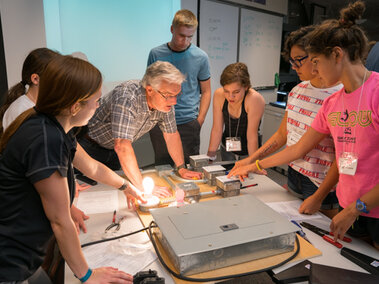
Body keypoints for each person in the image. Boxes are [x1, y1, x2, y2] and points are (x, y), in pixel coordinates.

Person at [229, 1, 379, 249]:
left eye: (317, 61)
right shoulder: (332, 103)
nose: (315, 69)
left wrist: (356, 208)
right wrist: (254, 164)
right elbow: (297, 148)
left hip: (369, 209)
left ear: (337, 55)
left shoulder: (375, 91)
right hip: (347, 205)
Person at [0, 55, 145, 283]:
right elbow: (60, 220)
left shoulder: (53, 125)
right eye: (96, 101)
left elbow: (93, 168)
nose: (99, 107)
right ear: (75, 106)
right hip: (10, 260)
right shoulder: (46, 140)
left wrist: (126, 186)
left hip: (24, 257)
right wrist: (87, 275)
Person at [232, 26, 343, 218]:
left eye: (299, 59)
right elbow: (282, 135)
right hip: (295, 174)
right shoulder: (297, 91)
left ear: (317, 56)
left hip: (321, 184)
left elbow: (341, 156)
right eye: (292, 60)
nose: (294, 66)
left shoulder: (339, 96)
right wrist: (252, 159)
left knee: (323, 237)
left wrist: (320, 195)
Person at [79, 61, 202, 195]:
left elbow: (171, 135)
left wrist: (181, 167)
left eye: (177, 95)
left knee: (112, 193)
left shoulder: (165, 103)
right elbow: (122, 146)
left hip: (112, 152)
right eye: (169, 95)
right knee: (87, 192)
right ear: (150, 90)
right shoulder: (127, 97)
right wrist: (144, 188)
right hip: (88, 147)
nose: (174, 102)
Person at [147, 9, 211, 165]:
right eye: (181, 35)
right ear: (172, 29)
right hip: (160, 121)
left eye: (190, 37)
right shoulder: (156, 53)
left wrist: (200, 120)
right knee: (163, 167)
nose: (185, 41)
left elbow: (207, 91)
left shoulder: (201, 57)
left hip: (188, 122)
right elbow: (149, 87)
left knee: (189, 167)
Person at [207, 62, 265, 162]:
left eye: (236, 92)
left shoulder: (254, 99)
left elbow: (252, 136)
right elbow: (217, 129)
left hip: (248, 151)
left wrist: (253, 164)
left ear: (246, 86)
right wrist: (210, 156)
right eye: (226, 91)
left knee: (248, 176)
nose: (230, 97)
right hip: (227, 148)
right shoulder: (219, 95)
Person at [0, 48, 60, 134]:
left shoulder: (44, 106)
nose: (61, 82)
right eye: (56, 76)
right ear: (35, 79)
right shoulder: (20, 110)